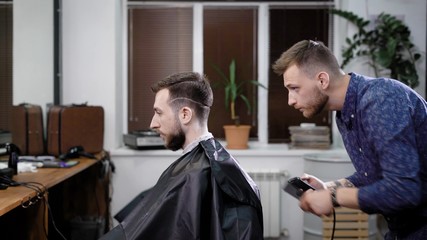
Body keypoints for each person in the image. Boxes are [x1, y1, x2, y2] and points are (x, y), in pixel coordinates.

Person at [272, 40, 427, 239]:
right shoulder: (344, 115)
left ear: (322, 80)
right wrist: (328, 188)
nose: (290, 100)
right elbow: (371, 175)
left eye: (294, 88)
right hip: (403, 228)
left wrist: (333, 196)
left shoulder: (381, 99)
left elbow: (403, 190)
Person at [101, 72, 263, 240]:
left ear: (185, 114)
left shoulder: (193, 175)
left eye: (159, 112)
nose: (153, 123)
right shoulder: (221, 163)